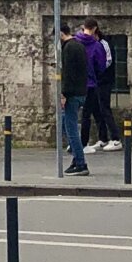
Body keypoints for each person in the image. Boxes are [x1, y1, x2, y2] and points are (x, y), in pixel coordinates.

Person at [57, 21, 90, 174]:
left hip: (72, 93)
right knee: (67, 125)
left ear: (61, 34)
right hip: (81, 91)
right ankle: (76, 159)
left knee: (71, 129)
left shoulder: (68, 48)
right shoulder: (79, 45)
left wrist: (63, 94)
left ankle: (81, 163)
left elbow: (68, 73)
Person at [80, 20, 117, 150]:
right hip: (95, 81)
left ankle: (116, 138)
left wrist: (98, 72)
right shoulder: (88, 43)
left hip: (104, 81)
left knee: (105, 108)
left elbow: (108, 61)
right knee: (97, 109)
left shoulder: (103, 43)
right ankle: (103, 138)